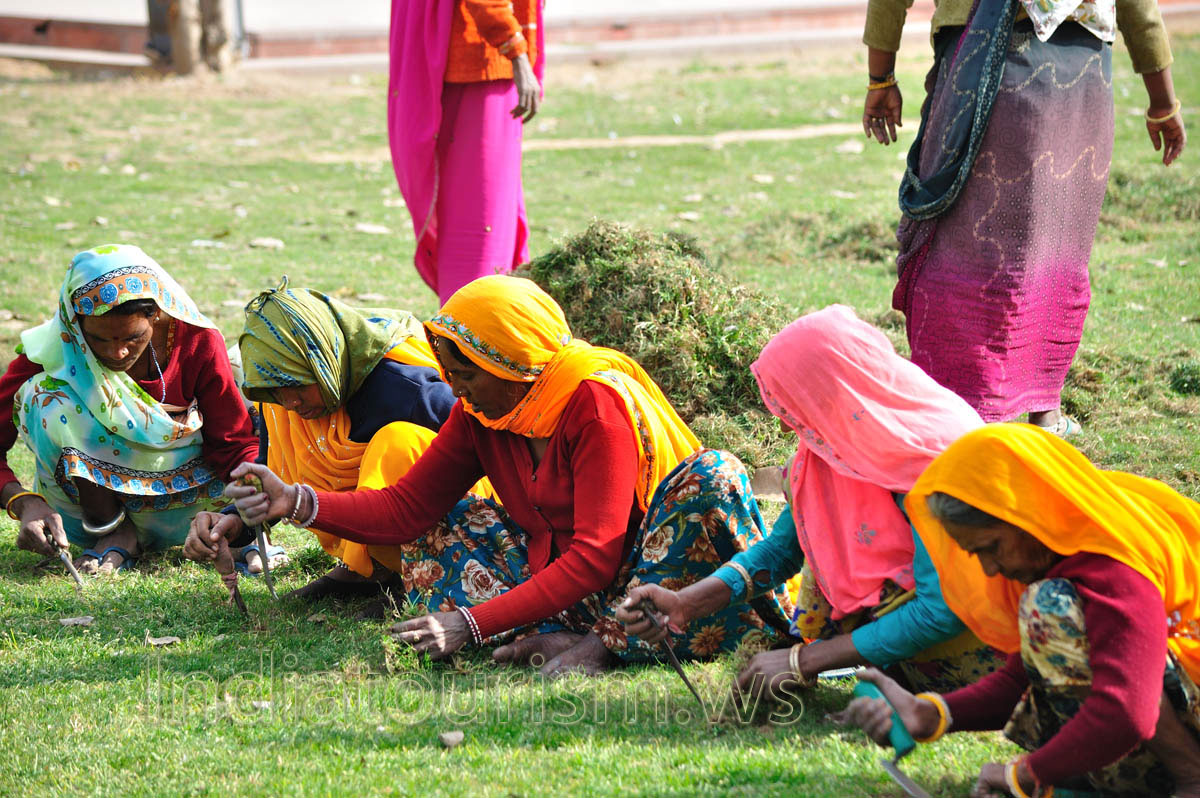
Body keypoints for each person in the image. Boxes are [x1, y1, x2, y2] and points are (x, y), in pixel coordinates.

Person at [227, 275, 792, 676]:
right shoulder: (484, 413)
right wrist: (298, 502)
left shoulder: (593, 404)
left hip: (652, 582)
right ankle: (564, 632)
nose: (455, 386)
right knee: (445, 521)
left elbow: (597, 554)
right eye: (448, 372)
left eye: (466, 371)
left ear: (514, 359)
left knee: (715, 474)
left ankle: (601, 644)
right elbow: (407, 507)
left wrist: (469, 625)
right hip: (560, 581)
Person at [619, 305, 1005, 698]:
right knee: (817, 526)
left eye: (793, 403)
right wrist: (684, 604)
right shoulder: (834, 450)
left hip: (987, 657)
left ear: (834, 392)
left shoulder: (936, 461)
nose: (785, 423)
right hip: (910, 651)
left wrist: (804, 661)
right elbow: (781, 552)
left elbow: (941, 611)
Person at [862, 0, 1187, 433]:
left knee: (964, 244)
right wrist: (1162, 102)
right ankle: (1043, 415)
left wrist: (880, 76)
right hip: (1082, 74)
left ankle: (961, 413)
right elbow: (1138, 7)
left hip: (988, 63)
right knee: (1053, 245)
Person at [837, 423, 1200, 797]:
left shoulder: (1112, 564)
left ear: (1025, 516)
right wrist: (931, 713)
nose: (991, 569)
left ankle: (1191, 777)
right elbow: (1024, 675)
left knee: (1050, 607)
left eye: (991, 547)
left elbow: (1126, 713)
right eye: (976, 554)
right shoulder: (1060, 548)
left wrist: (1024, 776)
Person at [185, 280, 481, 609]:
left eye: (297, 385)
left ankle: (416, 576)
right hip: (379, 528)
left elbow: (489, 443)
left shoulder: (406, 389)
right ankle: (366, 569)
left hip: (461, 529)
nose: (290, 403)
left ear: (324, 360)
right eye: (275, 391)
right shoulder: (281, 404)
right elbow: (275, 480)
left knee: (396, 444)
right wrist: (233, 521)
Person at [0, 244, 257, 573]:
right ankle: (114, 532)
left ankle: (224, 533)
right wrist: (21, 501)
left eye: (133, 337)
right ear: (75, 322)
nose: (118, 352)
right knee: (45, 395)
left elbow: (232, 440)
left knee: (248, 374)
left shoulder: (197, 342)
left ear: (157, 313)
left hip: (194, 500)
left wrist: (244, 515)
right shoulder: (56, 348)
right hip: (94, 510)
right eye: (100, 340)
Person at [389, 0, 544, 304]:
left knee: (485, 218)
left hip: (470, 65)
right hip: (481, 66)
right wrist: (517, 53)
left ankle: (472, 331)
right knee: (480, 222)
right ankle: (471, 332)